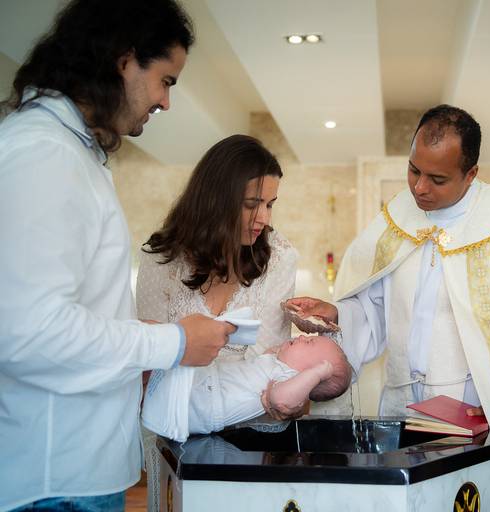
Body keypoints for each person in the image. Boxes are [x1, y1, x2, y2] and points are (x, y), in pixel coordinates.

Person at [288, 104, 490, 511]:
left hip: (469, 413)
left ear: (471, 174)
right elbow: (376, 312)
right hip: (396, 408)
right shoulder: (395, 220)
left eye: (438, 178)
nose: (419, 188)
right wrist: (337, 312)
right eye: (413, 170)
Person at [0, 1, 235, 511]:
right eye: (166, 81)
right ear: (123, 61)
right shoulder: (44, 154)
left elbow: (61, 308)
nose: (167, 102)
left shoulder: (73, 152)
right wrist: (168, 343)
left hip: (77, 470)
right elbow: (29, 333)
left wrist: (140, 336)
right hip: (53, 480)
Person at [135, 134, 298, 510]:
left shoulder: (279, 258)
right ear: (215, 199)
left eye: (271, 205)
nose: (264, 219)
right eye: (251, 205)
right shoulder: (161, 260)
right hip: (177, 438)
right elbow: (148, 367)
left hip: (254, 438)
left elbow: (272, 359)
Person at [186, 335, 353, 435]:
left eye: (309, 342)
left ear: (309, 375)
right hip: (204, 385)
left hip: (204, 407)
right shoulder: (278, 365)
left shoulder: (289, 378)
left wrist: (317, 373)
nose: (302, 336)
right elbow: (269, 354)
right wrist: (282, 350)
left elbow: (280, 399)